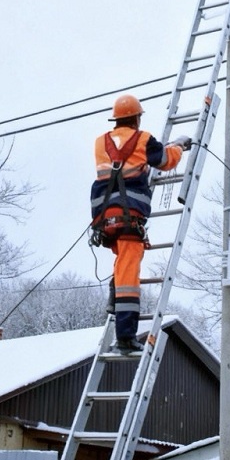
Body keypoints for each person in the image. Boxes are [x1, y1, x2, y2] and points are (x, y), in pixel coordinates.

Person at [90, 94, 191, 353]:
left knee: (122, 263)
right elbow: (165, 161)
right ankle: (125, 336)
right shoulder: (143, 139)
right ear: (136, 118)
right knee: (128, 276)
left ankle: (114, 303)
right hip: (129, 215)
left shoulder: (100, 142)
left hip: (105, 217)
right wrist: (178, 145)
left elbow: (122, 165)